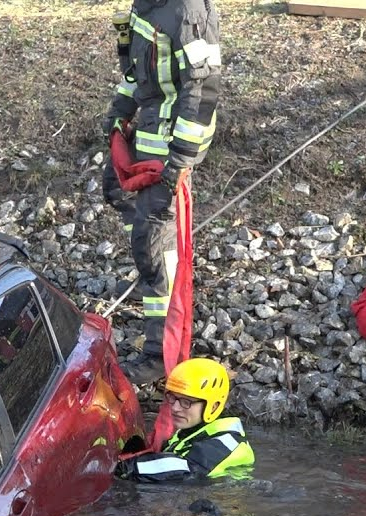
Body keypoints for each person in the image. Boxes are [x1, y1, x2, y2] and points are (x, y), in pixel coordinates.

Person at [102, 0, 222, 383]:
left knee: (155, 239)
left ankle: (159, 353)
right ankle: (150, 269)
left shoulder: (186, 11)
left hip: (174, 138)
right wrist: (120, 109)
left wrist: (182, 159)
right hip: (151, 124)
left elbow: (203, 87)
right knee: (117, 191)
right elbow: (137, 73)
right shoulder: (146, 5)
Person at [116, 357, 252, 484]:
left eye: (186, 402)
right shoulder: (193, 431)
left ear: (213, 406)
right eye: (172, 398)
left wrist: (122, 468)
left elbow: (187, 468)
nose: (175, 408)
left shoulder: (228, 442)